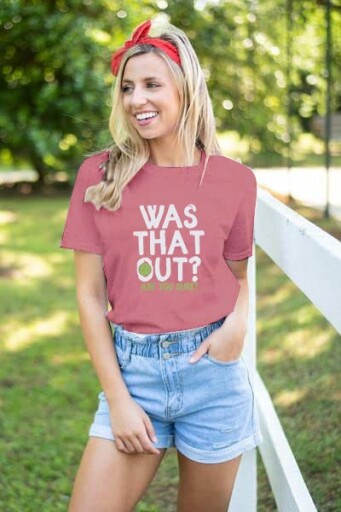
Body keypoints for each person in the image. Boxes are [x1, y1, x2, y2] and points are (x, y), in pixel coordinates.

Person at [60, 18, 262, 512]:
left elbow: (238, 277)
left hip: (212, 376)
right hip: (133, 375)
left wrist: (236, 326)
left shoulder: (234, 181)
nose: (136, 100)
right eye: (127, 88)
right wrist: (121, 399)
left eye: (152, 84)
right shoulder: (100, 175)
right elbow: (88, 295)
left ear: (186, 90)